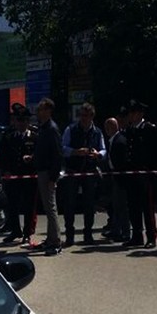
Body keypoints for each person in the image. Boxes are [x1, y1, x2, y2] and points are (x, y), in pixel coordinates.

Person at [60, 102, 106, 246]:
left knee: (89, 204)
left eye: (87, 115)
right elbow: (62, 148)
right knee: (69, 204)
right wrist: (75, 152)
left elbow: (104, 150)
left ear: (92, 116)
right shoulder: (71, 129)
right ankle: (69, 235)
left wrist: (98, 154)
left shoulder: (97, 132)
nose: (84, 118)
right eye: (82, 115)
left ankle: (88, 234)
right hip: (73, 171)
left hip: (89, 172)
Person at [120, 100, 157, 249]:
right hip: (132, 174)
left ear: (140, 114)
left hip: (145, 174)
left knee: (147, 207)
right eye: (129, 113)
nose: (130, 116)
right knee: (133, 206)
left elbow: (155, 152)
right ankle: (137, 236)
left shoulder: (149, 129)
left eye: (133, 113)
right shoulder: (130, 130)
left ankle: (151, 237)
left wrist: (152, 170)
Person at [0, 103, 39, 245]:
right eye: (19, 120)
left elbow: (40, 154)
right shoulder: (9, 136)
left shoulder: (34, 136)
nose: (21, 123)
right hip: (13, 176)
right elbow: (3, 156)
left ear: (28, 122)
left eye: (24, 120)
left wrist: (32, 158)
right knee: (12, 205)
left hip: (30, 177)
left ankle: (27, 233)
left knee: (29, 206)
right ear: (15, 121)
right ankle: (15, 230)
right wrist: (5, 170)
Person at [32, 98, 63, 255]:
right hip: (42, 171)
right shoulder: (43, 128)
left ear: (49, 111)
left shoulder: (51, 128)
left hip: (48, 173)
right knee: (47, 207)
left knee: (51, 208)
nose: (39, 112)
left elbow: (57, 155)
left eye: (42, 109)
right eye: (38, 109)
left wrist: (53, 178)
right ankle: (50, 239)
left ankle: (56, 242)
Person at [103, 113, 131, 242]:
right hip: (114, 176)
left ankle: (125, 232)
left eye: (108, 127)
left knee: (121, 206)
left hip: (120, 177)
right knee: (115, 205)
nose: (106, 130)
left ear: (114, 127)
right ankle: (116, 230)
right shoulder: (113, 140)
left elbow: (122, 161)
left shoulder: (119, 141)